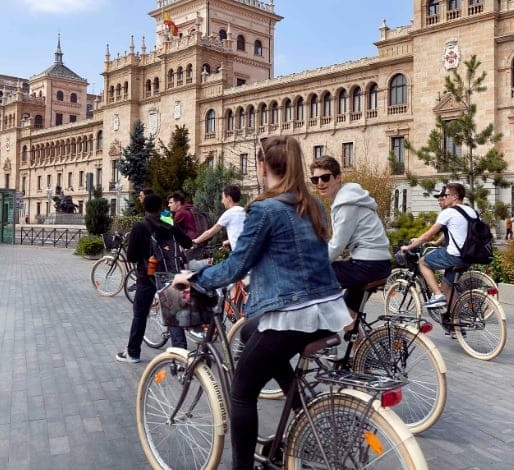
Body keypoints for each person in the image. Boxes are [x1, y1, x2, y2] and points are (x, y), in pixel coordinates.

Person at [171, 136, 351, 469]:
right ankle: (304, 415)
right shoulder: (312, 204)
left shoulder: (264, 210)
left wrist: (194, 279)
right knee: (247, 332)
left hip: (291, 315)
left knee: (241, 391)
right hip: (327, 310)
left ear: (263, 166)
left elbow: (237, 265)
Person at [309, 156, 392, 317]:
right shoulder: (349, 198)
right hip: (376, 263)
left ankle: (318, 335)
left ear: (338, 177)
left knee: (312, 276)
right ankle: (364, 341)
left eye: (325, 177)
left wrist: (312, 263)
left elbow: (337, 245)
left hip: (367, 265)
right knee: (347, 315)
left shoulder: (346, 203)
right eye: (315, 179)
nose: (320, 183)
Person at [116, 193, 192, 363]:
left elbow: (131, 257)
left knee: (140, 315)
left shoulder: (140, 226)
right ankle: (182, 356)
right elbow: (187, 243)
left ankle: (133, 353)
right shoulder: (168, 222)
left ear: (145, 207)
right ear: (160, 207)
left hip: (147, 276)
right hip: (169, 274)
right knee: (174, 314)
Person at [400, 182, 475, 310]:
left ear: (455, 197)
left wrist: (409, 247)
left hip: (454, 255)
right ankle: (454, 322)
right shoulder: (471, 211)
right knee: (447, 289)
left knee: (423, 262)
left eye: (446, 195)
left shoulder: (448, 212)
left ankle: (437, 296)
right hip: (470, 256)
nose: (444, 198)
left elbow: (427, 236)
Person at [192, 184, 246, 251]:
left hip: (240, 253)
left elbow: (210, 232)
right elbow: (242, 233)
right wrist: (229, 241)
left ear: (229, 199)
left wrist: (195, 241)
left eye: (223, 198)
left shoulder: (229, 213)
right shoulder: (244, 211)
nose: (222, 201)